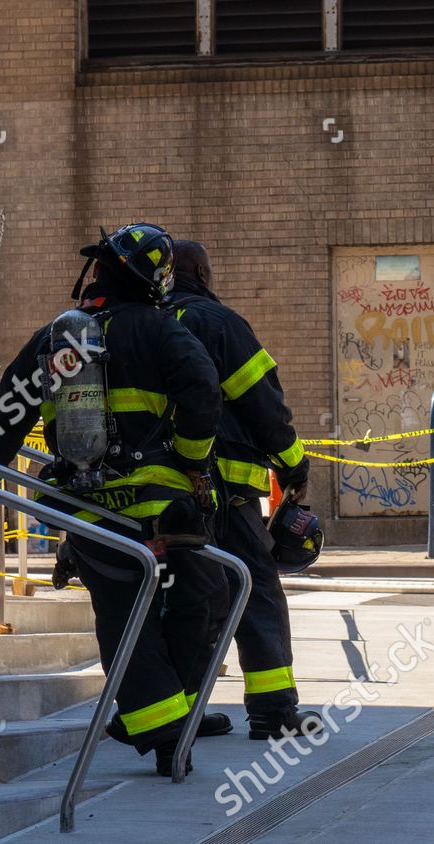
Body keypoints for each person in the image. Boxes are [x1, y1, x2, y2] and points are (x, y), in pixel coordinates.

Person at [0, 223, 224, 775]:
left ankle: (159, 725)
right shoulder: (161, 330)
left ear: (98, 271)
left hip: (91, 513)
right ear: (155, 280)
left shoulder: (59, 338)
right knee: (204, 600)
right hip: (164, 509)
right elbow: (202, 389)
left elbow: (8, 412)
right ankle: (169, 726)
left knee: (125, 617)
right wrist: (194, 462)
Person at [165, 241, 321, 740]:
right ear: (201, 273)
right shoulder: (217, 322)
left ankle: (179, 712)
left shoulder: (143, 324)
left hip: (157, 494)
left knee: (190, 599)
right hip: (223, 489)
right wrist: (294, 465)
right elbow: (263, 403)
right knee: (254, 591)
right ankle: (273, 711)